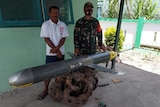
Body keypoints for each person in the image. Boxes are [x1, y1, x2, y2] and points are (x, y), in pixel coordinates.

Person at [38, 6, 69, 100]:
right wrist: (56, 50)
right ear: (49, 14)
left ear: (59, 14)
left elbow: (63, 39)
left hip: (60, 53)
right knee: (48, 73)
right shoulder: (45, 25)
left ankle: (57, 89)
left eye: (57, 12)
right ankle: (45, 90)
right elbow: (46, 39)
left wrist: (57, 49)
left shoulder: (62, 24)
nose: (55, 14)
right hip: (50, 54)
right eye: (53, 12)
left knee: (60, 73)